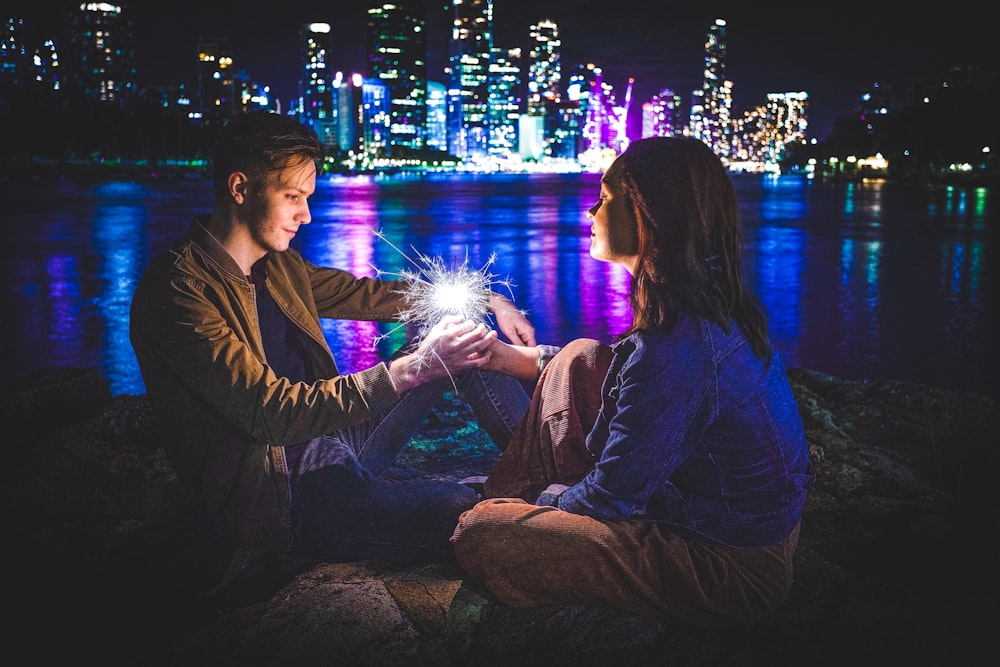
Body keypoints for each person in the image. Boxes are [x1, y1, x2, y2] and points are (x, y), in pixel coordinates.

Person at [129, 111, 546, 565]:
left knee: (464, 342)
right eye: (292, 196)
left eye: (306, 197)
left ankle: (548, 475)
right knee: (459, 509)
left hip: (333, 436)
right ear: (240, 189)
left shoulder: (281, 265)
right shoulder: (180, 290)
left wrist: (489, 298)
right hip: (281, 491)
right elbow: (267, 413)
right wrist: (409, 368)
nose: (305, 215)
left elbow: (367, 295)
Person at [451, 136, 814, 627]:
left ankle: (506, 500)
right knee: (577, 358)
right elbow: (629, 381)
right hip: (704, 509)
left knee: (481, 533)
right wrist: (505, 358)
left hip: (727, 562)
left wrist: (542, 504)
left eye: (604, 199)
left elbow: (609, 499)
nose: (590, 211)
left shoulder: (677, 344)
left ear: (647, 216)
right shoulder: (698, 301)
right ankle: (516, 495)